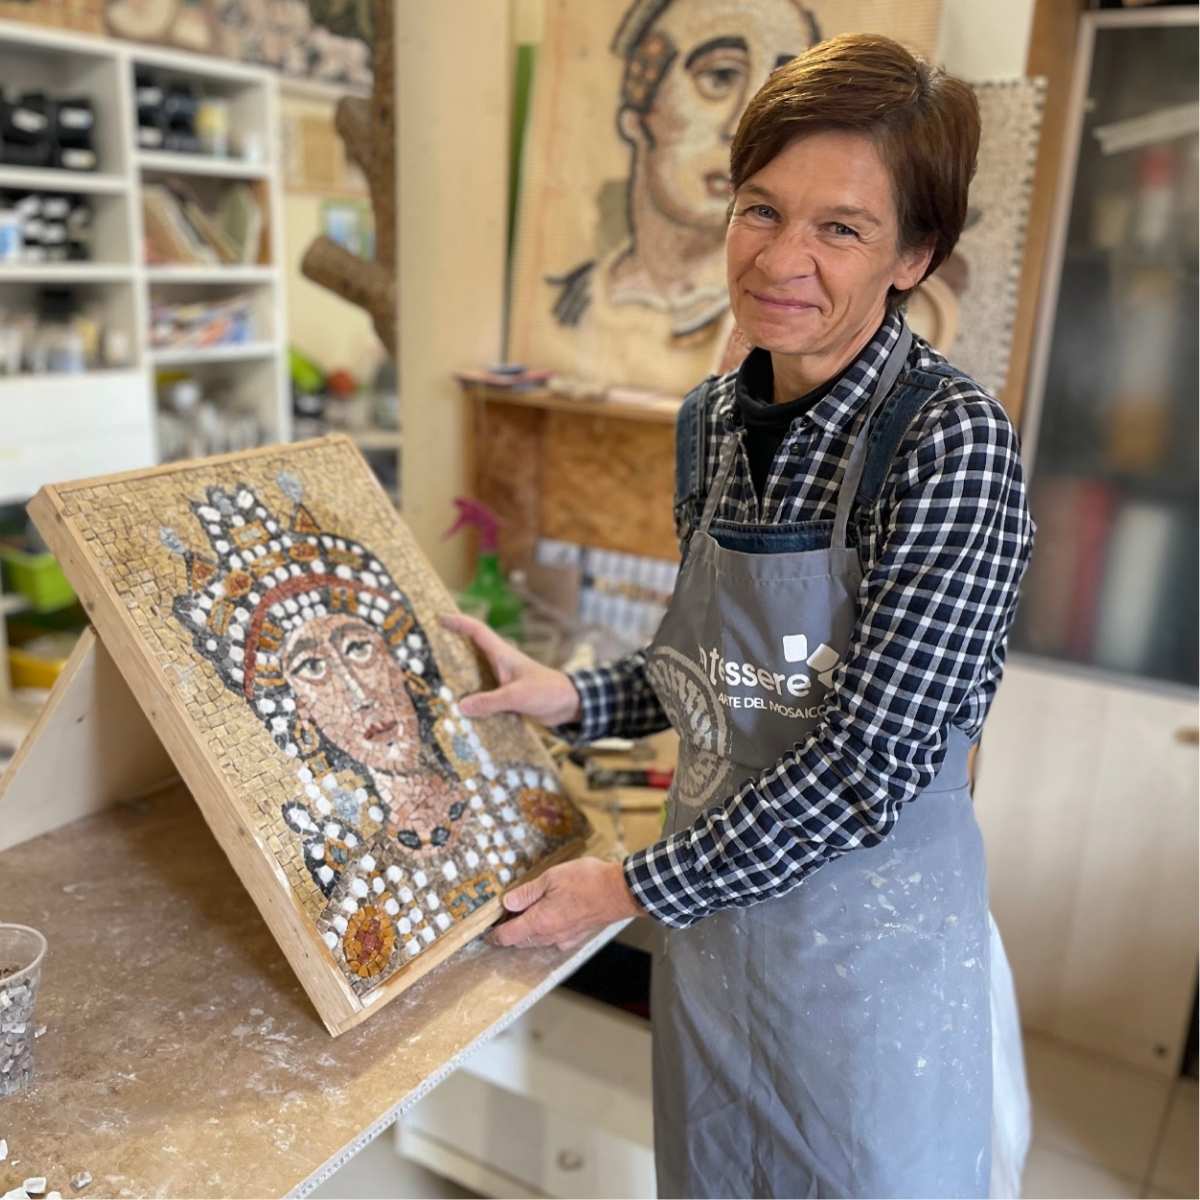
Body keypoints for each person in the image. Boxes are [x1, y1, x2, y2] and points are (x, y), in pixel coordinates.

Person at [449, 31, 1036, 1199]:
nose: (780, 259)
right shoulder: (712, 419)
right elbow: (715, 664)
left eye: (841, 228)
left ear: (914, 256)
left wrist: (627, 888)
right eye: (760, 209)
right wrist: (572, 696)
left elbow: (869, 767)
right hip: (717, 940)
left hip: (865, 968)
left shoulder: (948, 445)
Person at [162, 472, 586, 993]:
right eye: (312, 668)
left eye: (359, 648)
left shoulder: (524, 799)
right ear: (299, 714)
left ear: (400, 663)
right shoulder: (360, 901)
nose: (357, 693)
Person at [541, 0, 821, 394]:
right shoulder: (570, 303)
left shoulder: (798, 325)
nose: (744, 129)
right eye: (720, 76)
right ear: (638, 113)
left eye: (779, 93)